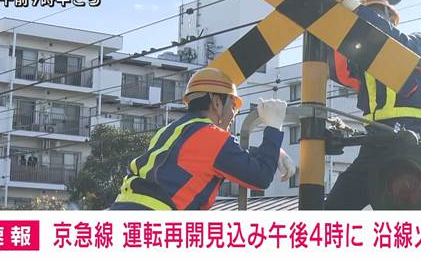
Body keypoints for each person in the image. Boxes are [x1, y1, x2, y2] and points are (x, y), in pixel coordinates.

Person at [110, 67, 296, 210]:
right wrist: (273, 126)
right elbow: (260, 177)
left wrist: (274, 152)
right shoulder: (212, 137)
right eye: (233, 106)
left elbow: (221, 158)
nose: (233, 114)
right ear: (216, 102)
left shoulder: (170, 132)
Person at [325, 0, 421, 210]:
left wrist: (355, 9)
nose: (371, 20)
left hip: (415, 145)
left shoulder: (420, 44)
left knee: (405, 213)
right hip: (375, 146)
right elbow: (338, 69)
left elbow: (392, 39)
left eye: (377, 13)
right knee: (336, 206)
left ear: (391, 19)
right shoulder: (365, 66)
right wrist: (336, 24)